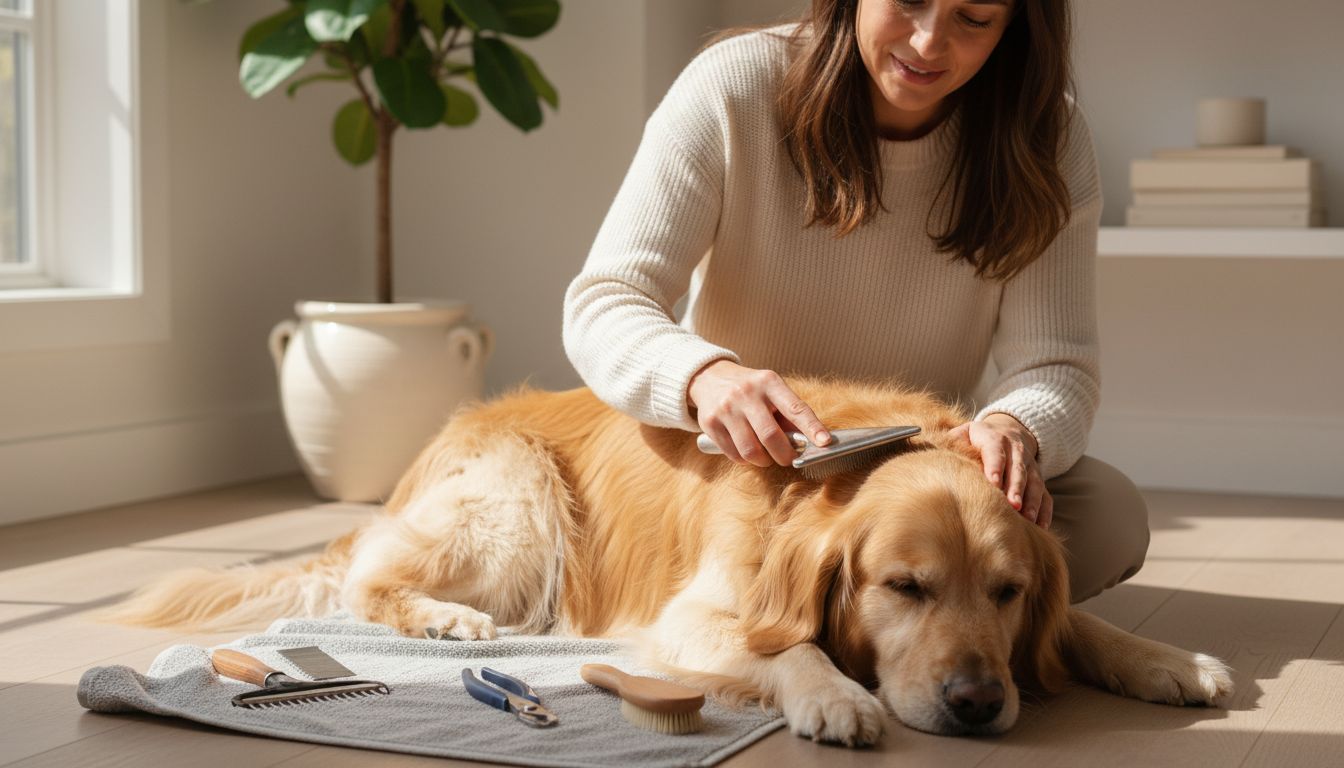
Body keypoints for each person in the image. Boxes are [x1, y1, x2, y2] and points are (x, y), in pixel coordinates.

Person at [563, 0, 1148, 602]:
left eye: (973, 19)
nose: (927, 44)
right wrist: (703, 377)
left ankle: (849, 602)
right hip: (751, 468)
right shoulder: (733, 85)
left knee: (1109, 517)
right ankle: (871, 605)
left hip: (918, 471)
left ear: (1013, 28)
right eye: (909, 2)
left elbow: (1057, 364)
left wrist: (1015, 427)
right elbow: (607, 300)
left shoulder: (1046, 136)